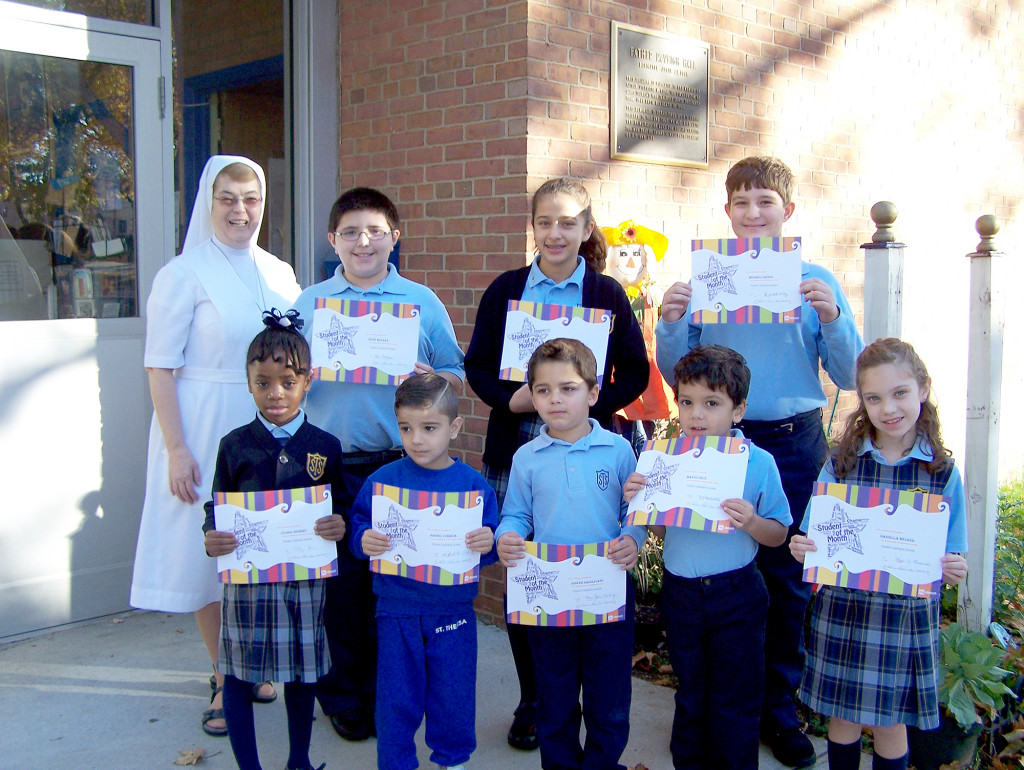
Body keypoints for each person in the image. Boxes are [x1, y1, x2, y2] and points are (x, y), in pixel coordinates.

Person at [654, 155, 865, 767]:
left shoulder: (814, 281)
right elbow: (678, 374)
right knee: (720, 571)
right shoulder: (706, 279)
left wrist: (833, 316)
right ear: (727, 212)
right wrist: (669, 323)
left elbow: (849, 375)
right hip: (715, 444)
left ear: (787, 212)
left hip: (796, 442)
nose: (752, 213)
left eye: (764, 202)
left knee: (788, 579)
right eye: (741, 202)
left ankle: (779, 711)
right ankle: (707, 710)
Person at [464, 177, 648, 750]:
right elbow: (477, 367)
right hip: (518, 447)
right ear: (533, 227)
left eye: (568, 222)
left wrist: (587, 407)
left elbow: (636, 372)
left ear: (586, 228)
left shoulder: (608, 294)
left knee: (589, 567)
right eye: (545, 222)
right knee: (527, 573)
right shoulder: (506, 289)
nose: (556, 232)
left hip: (587, 443)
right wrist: (511, 399)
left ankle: (590, 698)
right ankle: (535, 700)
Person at [130, 155, 300, 736]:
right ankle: (224, 675)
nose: (240, 209)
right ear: (209, 201)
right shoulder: (182, 273)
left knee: (258, 546)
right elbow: (159, 367)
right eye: (228, 197)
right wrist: (177, 449)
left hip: (269, 423)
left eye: (251, 197)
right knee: (209, 551)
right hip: (202, 424)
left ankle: (253, 660)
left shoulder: (279, 272)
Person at [290, 188, 465, 741]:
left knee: (397, 582)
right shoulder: (309, 305)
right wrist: (302, 378)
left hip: (400, 465)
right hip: (327, 462)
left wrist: (429, 378)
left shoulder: (420, 301)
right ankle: (344, 695)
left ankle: (398, 688)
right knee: (339, 587)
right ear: (331, 241)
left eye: (375, 231)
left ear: (395, 236)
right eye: (350, 232)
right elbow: (278, 380)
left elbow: (457, 377)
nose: (363, 242)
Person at [789, 338, 968, 770]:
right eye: (874, 398)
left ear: (923, 389)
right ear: (863, 402)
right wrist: (802, 547)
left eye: (900, 393)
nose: (888, 408)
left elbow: (952, 551)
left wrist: (953, 567)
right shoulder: (841, 463)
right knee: (843, 721)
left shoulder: (942, 473)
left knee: (891, 726)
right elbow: (815, 534)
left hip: (903, 620)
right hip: (845, 612)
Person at [623, 345, 791, 770]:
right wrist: (643, 501)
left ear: (738, 411)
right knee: (692, 687)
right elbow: (660, 531)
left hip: (737, 593)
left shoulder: (758, 463)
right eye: (687, 402)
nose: (696, 414)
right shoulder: (665, 459)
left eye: (712, 403)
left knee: (736, 692)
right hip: (680, 593)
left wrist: (752, 521)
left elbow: (779, 534)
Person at [202, 311, 345, 770]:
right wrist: (213, 535)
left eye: (287, 381)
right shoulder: (235, 445)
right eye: (263, 383)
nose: (275, 393)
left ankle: (298, 761)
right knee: (240, 676)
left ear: (307, 382)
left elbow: (339, 504)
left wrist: (338, 525)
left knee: (302, 676)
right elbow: (216, 505)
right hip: (248, 583)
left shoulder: (325, 444)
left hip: (305, 582)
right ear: (248, 384)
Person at [495, 338, 647, 770]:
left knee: (609, 697)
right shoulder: (527, 457)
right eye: (542, 390)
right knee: (555, 695)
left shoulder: (618, 449)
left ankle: (601, 764)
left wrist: (633, 538)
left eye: (568, 388)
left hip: (607, 592)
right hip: (549, 596)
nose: (555, 399)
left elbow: (632, 509)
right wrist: (508, 535)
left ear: (593, 393)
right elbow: (517, 514)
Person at [348, 373, 499, 770]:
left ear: (454, 428)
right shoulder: (382, 483)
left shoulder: (474, 487)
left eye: (429, 428)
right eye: (406, 428)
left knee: (453, 695)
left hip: (453, 610)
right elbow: (358, 528)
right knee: (397, 697)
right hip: (396, 609)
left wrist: (489, 543)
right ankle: (396, 763)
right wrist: (363, 539)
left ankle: (453, 761)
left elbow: (492, 542)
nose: (416, 439)